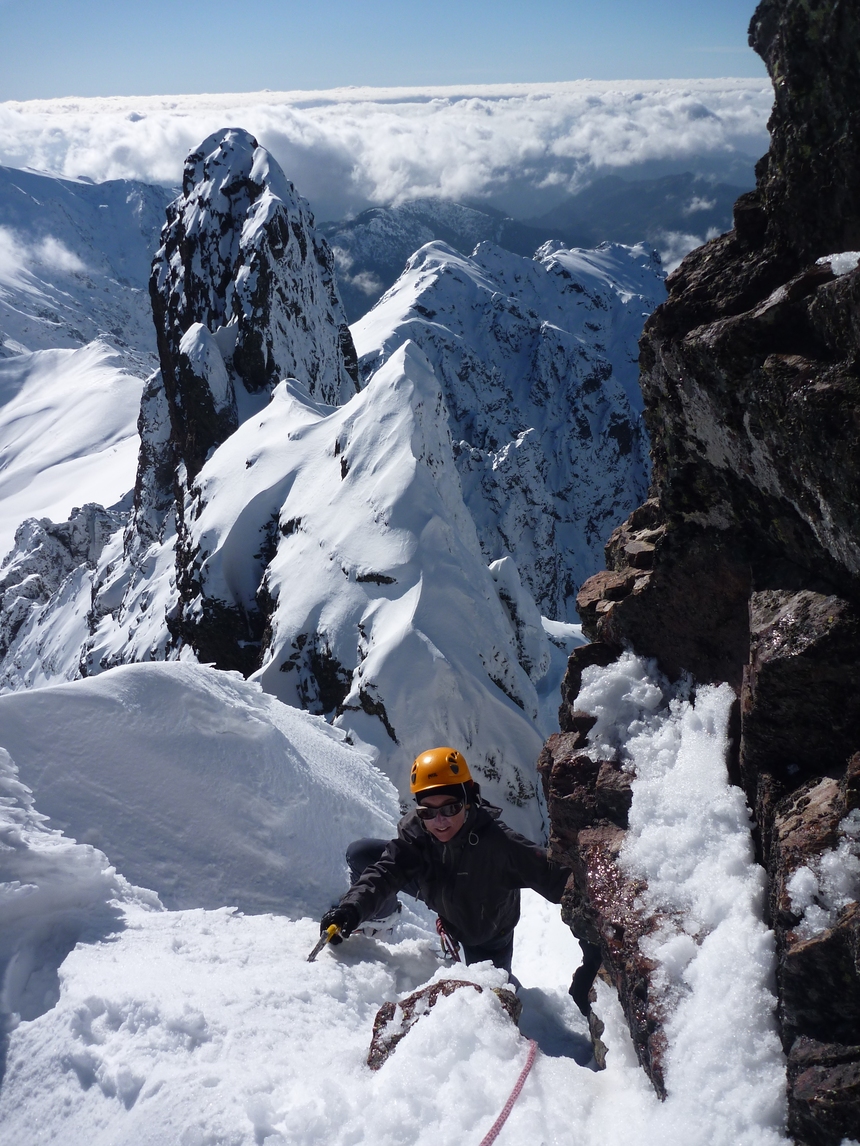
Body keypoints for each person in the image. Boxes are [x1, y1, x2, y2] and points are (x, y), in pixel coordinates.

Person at [319, 746, 571, 973]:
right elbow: (387, 871)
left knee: (491, 994)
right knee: (363, 854)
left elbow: (561, 880)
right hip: (438, 889)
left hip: (484, 931)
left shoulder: (499, 845)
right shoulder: (417, 831)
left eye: (450, 808)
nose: (439, 822)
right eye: (428, 811)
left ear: (469, 801)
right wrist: (351, 910)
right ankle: (379, 919)